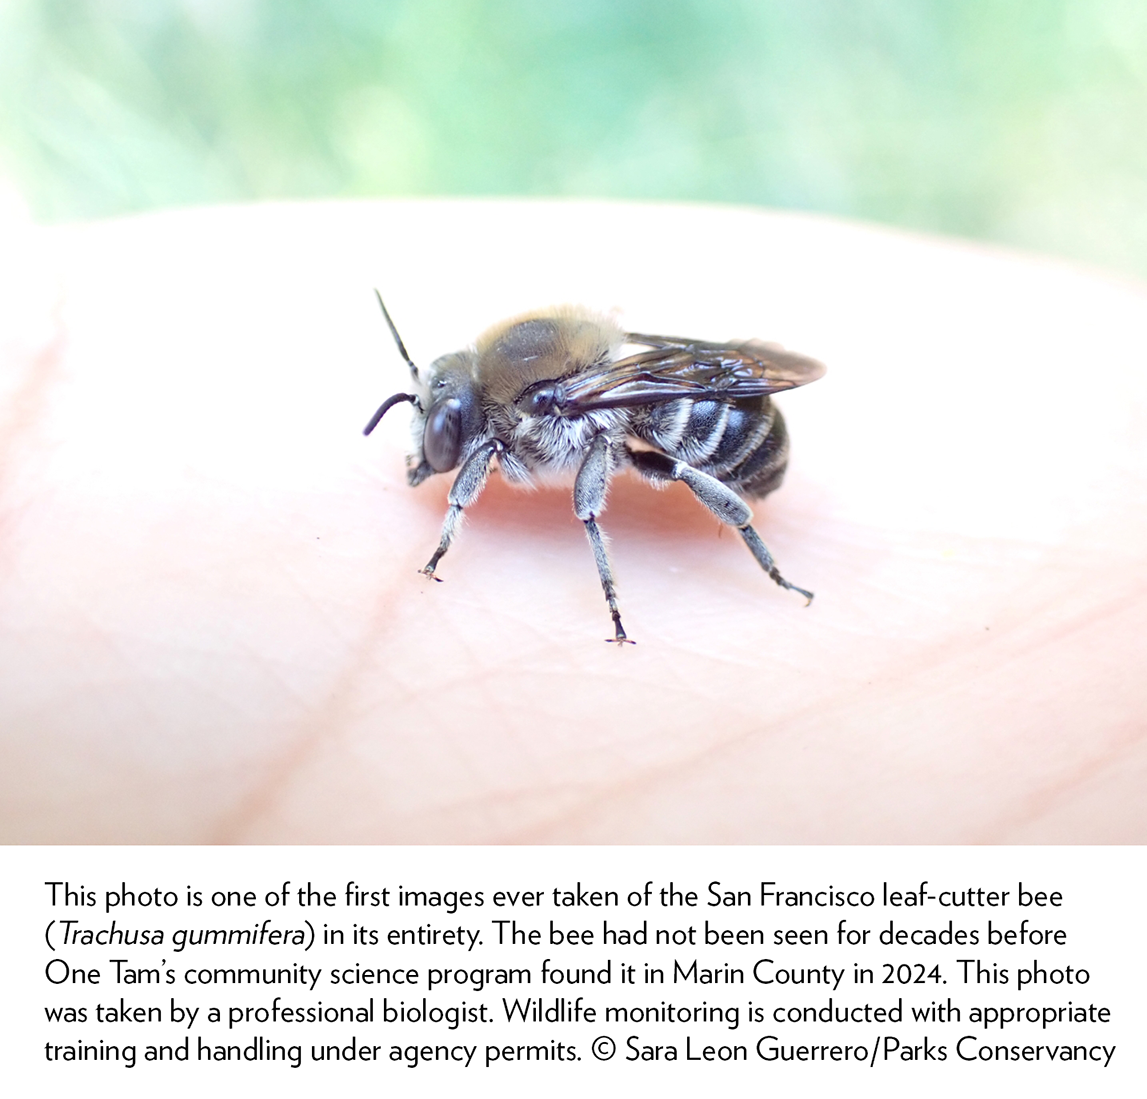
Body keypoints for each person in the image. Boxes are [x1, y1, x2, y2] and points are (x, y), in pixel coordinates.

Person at [1, 198, 1144, 843]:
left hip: (714, 423)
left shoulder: (542, 405)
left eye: (443, 429)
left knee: (653, 472)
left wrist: (549, 572)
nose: (441, 449)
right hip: (658, 388)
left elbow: (553, 463)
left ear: (490, 410)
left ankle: (759, 559)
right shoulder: (515, 383)